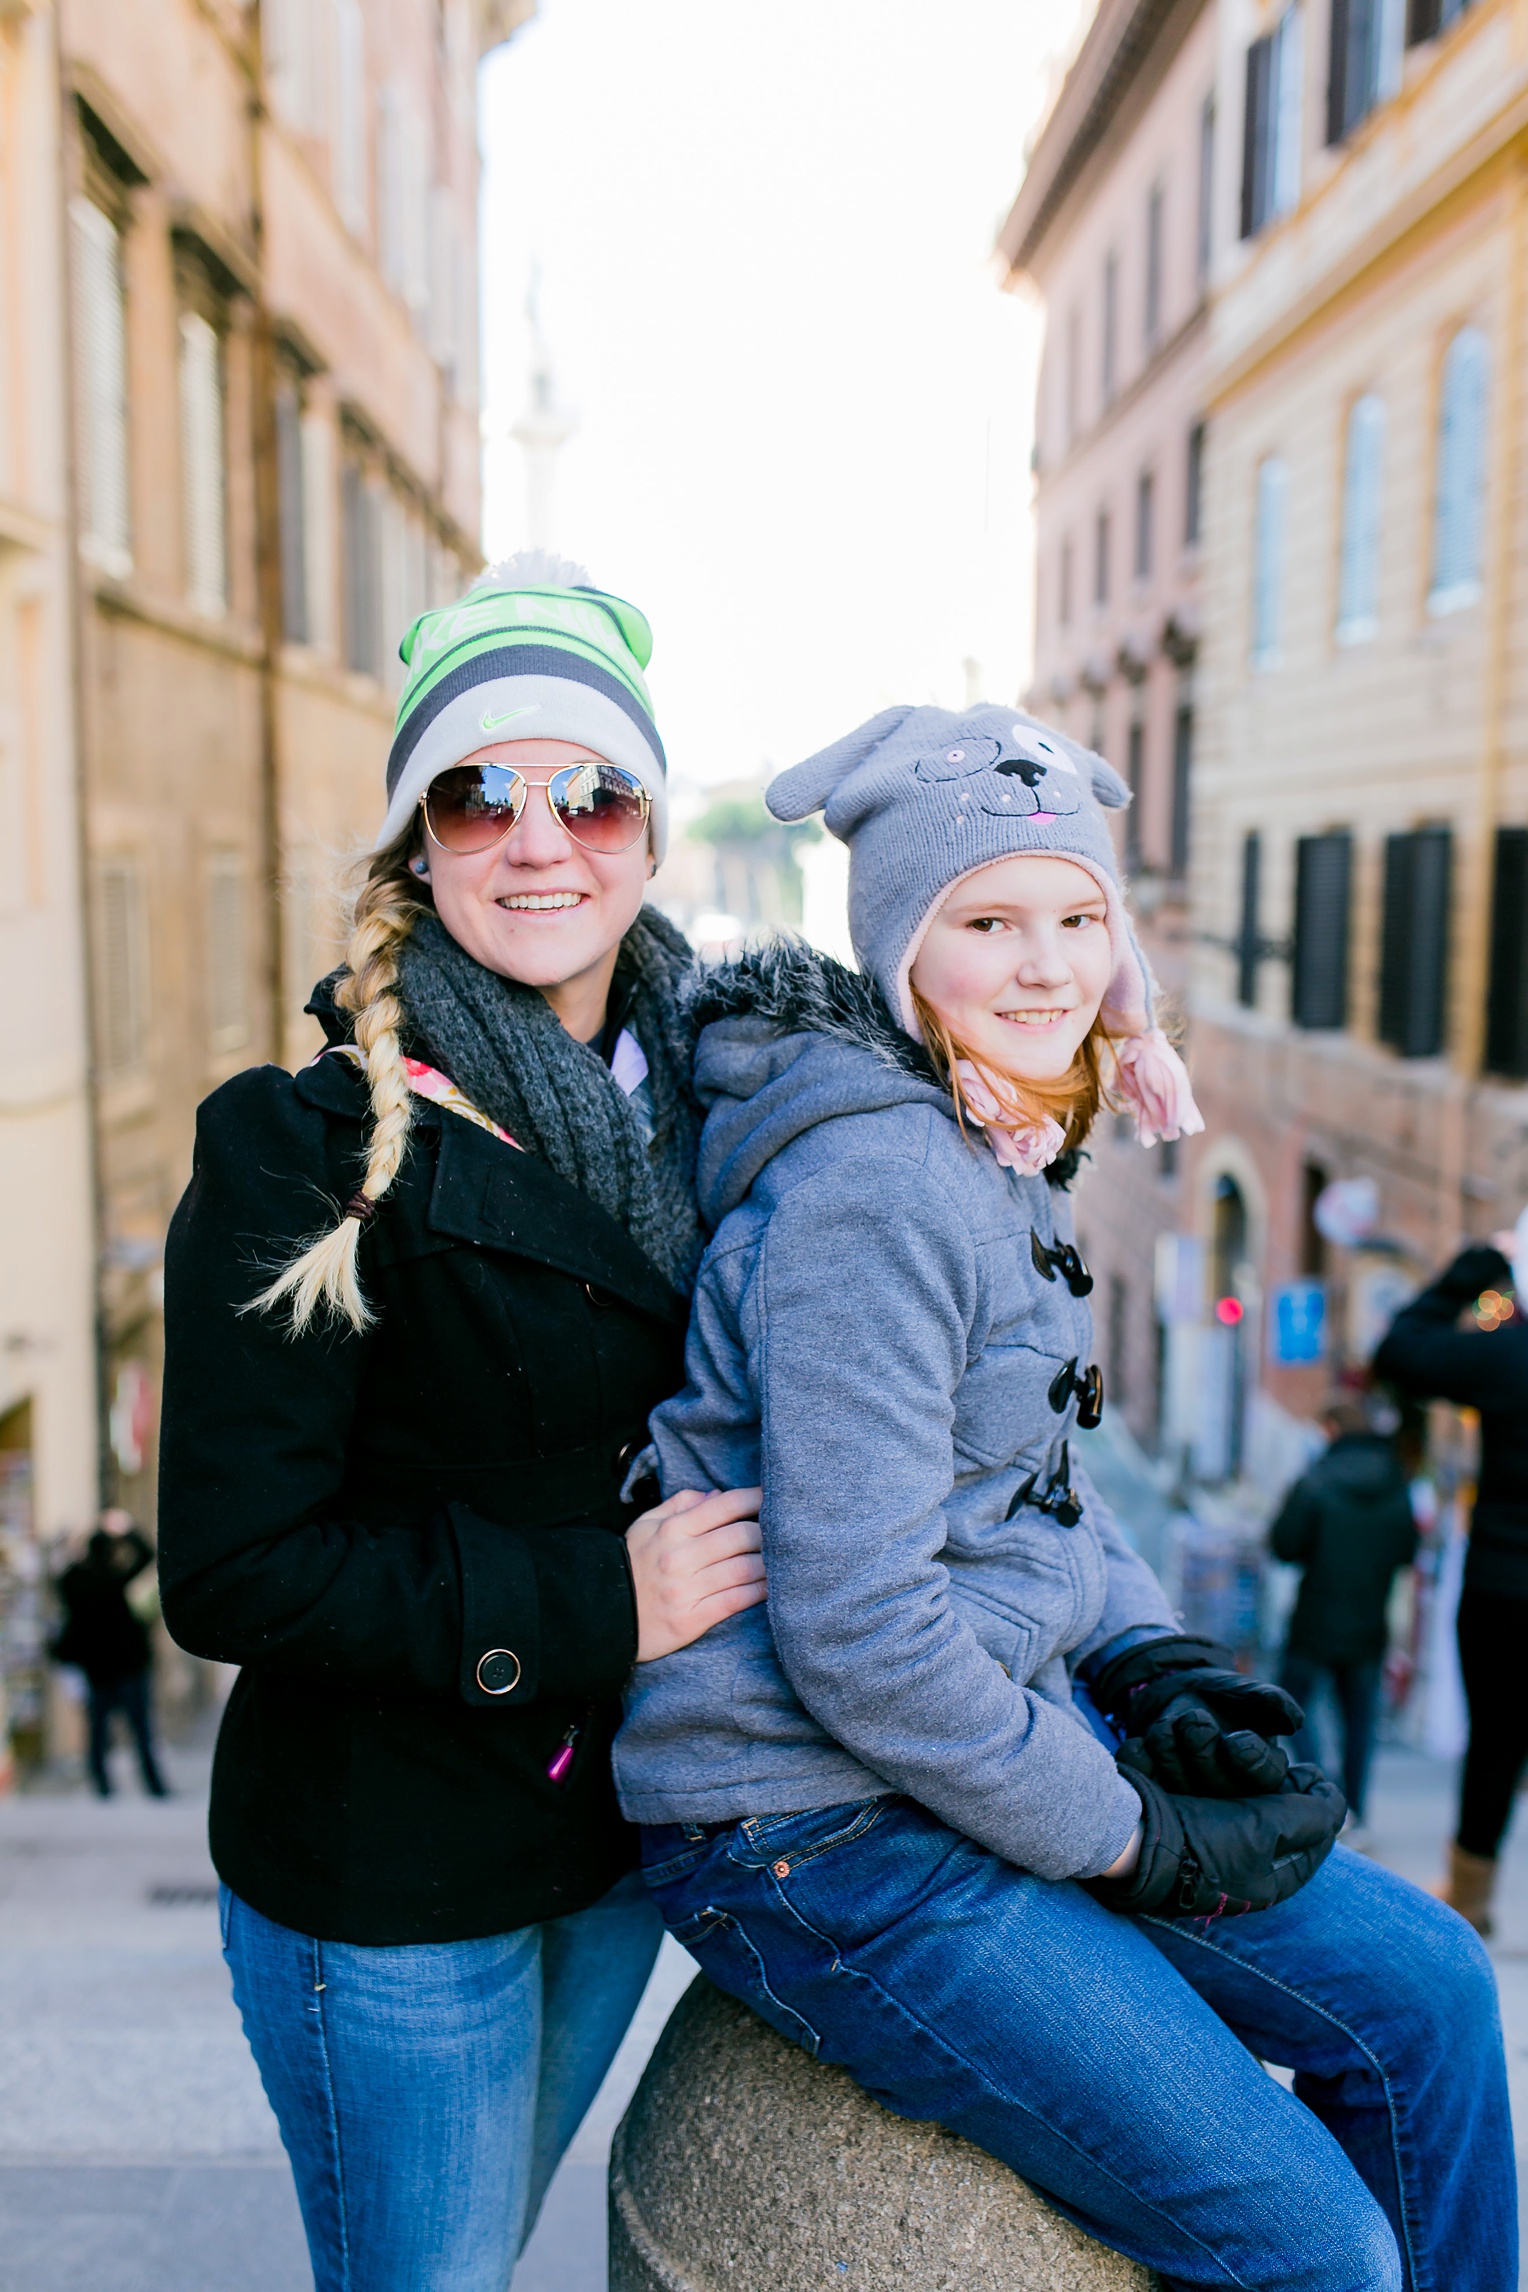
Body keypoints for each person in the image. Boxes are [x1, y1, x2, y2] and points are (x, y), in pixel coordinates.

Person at [616, 704, 1515, 2291]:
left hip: (978, 1739)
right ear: (903, 952)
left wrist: (1160, 1662)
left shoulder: (999, 1142)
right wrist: (1126, 1839)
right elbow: (867, 1639)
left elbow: (1039, 1492)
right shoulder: (877, 1194)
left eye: (1080, 920)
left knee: (1432, 1991)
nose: (1047, 969)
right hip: (808, 1826)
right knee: (1318, 2248)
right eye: (988, 923)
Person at [156, 555, 766, 2292]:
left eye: (591, 790)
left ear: (652, 834)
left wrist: (1101, 1036)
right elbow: (231, 1568)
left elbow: (950, 1036)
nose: (536, 836)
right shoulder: (304, 1141)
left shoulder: (718, 1087)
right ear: (415, 841)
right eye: (474, 791)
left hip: (610, 1835)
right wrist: (598, 1600)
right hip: (389, 1869)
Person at [1374, 1238, 1528, 1936]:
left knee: (1496, 1739)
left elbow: (1400, 1352)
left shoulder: (1511, 1356)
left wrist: (1470, 1273)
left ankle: (1471, 1896)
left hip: (1506, 1583)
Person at [1269, 1394, 1419, 1843]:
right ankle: (1359, 1809)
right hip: (1370, 1621)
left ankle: (1327, 1793)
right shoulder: (1397, 1483)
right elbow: (1408, 1551)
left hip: (1316, 1617)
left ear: (1332, 1431)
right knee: (1359, 1719)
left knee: (1291, 1702)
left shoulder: (1316, 1480)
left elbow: (1284, 1545)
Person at [52, 1507, 168, 1798]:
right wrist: (125, 1530)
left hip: (96, 1667)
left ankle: (101, 1786)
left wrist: (71, 1547)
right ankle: (153, 1786)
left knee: (98, 1729)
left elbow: (57, 1578)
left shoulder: (75, 1581)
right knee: (140, 1729)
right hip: (127, 1664)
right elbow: (145, 1554)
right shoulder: (113, 1578)